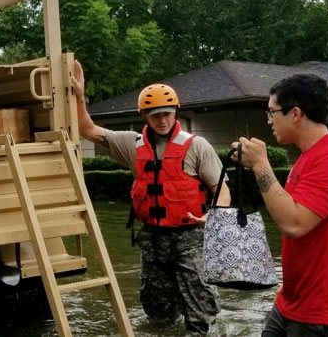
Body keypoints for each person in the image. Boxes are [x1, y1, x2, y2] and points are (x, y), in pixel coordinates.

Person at [71, 61, 229, 335]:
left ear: (176, 112)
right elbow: (86, 129)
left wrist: (213, 216)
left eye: (167, 113)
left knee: (201, 313)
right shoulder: (131, 144)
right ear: (144, 116)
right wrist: (79, 96)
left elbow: (222, 190)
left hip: (191, 237)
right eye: (155, 115)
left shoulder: (197, 146)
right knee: (157, 314)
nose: (162, 120)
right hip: (152, 240)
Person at [235, 74, 328, 336]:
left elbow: (294, 224)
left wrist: (261, 164)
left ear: (295, 113)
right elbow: (290, 211)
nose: (270, 121)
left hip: (327, 314)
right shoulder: (310, 156)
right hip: (292, 303)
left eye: (272, 112)